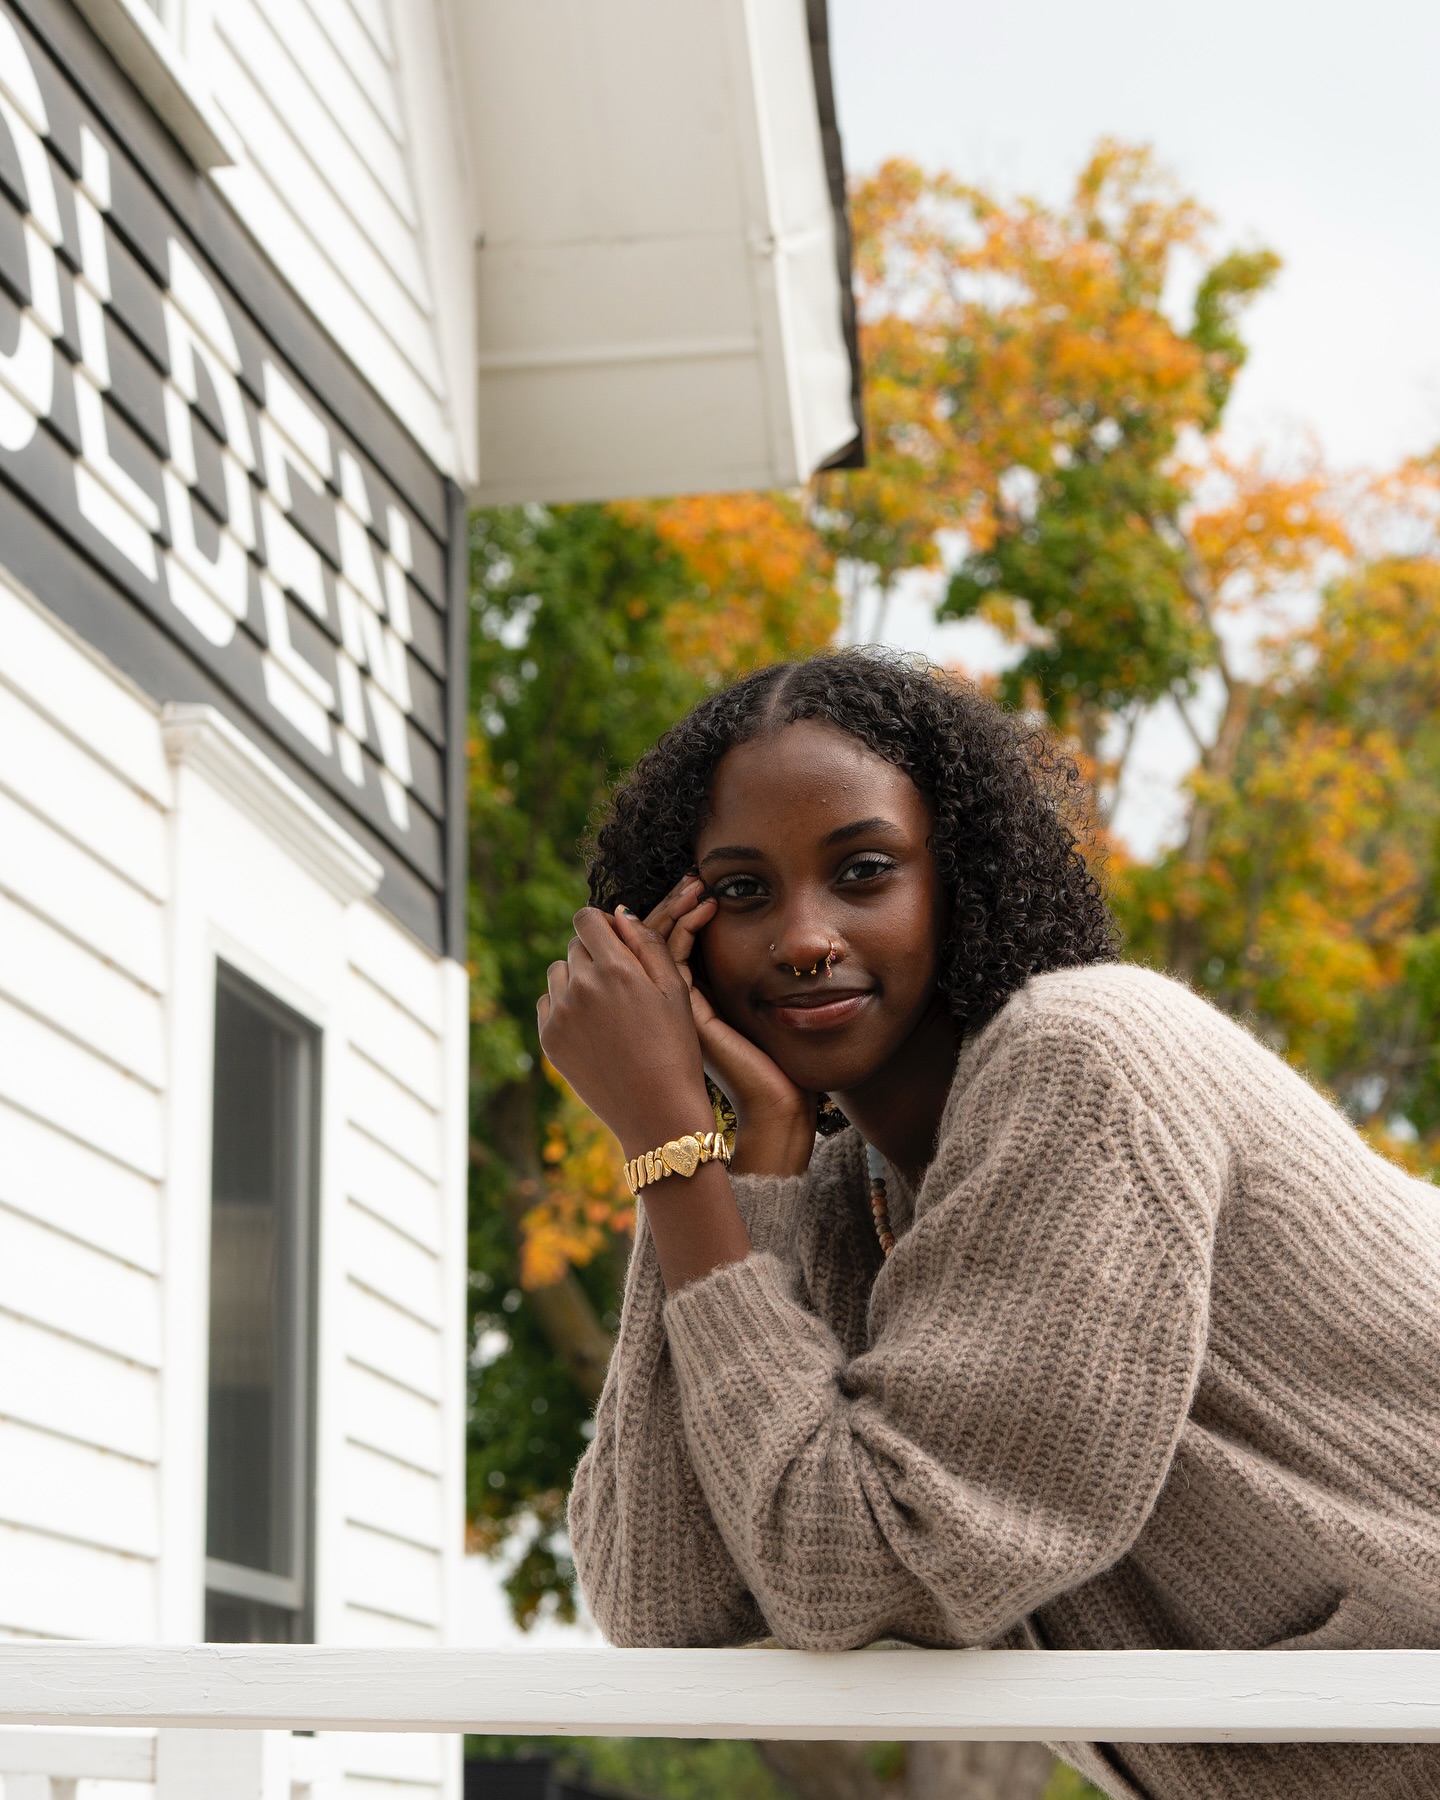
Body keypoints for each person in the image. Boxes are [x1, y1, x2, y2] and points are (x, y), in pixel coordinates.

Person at [537, 650, 1440, 1800]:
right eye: (743, 892)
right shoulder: (846, 1192)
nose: (804, 937)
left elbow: (863, 1570)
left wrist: (669, 1144)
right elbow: (665, 1599)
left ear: (960, 876)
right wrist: (721, 1167)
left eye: (864, 872)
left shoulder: (1085, 1064)